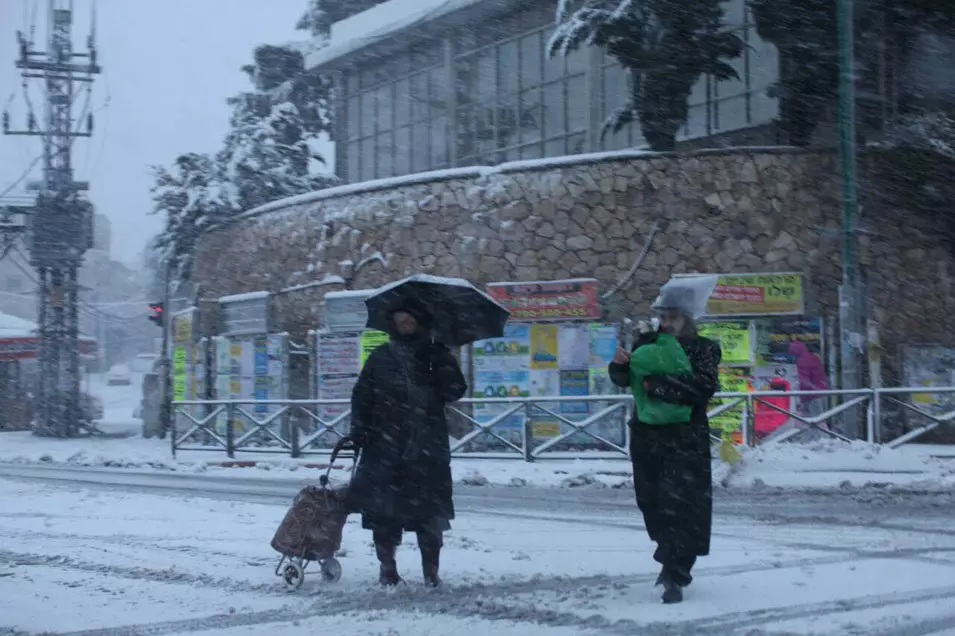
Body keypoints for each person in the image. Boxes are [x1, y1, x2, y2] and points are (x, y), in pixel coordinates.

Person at [608, 291, 721, 604]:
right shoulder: (645, 343)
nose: (667, 323)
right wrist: (618, 366)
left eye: (674, 317)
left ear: (687, 319)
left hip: (685, 439)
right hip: (646, 437)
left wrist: (657, 384)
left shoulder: (704, 349)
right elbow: (624, 379)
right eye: (664, 317)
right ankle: (669, 552)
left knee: (683, 504)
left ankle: (676, 571)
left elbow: (703, 388)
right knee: (652, 502)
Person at [349, 298, 468, 587]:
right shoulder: (381, 357)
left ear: (420, 323)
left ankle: (431, 572)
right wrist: (359, 431)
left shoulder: (436, 354)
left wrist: (442, 364)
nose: (404, 325)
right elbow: (363, 396)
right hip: (384, 447)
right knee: (384, 514)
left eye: (409, 320)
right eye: (399, 320)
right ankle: (387, 568)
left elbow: (455, 391)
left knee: (429, 515)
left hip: (427, 448)